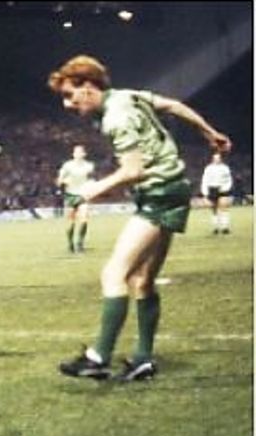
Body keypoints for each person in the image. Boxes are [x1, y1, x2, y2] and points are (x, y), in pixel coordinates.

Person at [49, 55, 231, 382]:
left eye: (69, 94)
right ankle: (143, 359)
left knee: (113, 274)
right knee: (142, 281)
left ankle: (98, 357)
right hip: (173, 188)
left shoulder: (115, 117)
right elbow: (173, 105)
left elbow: (134, 170)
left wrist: (93, 190)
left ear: (88, 86)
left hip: (158, 195)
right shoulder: (128, 95)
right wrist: (209, 131)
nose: (67, 104)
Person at [56, 144, 96, 253]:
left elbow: (92, 179)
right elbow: (59, 180)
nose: (78, 154)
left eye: (80, 152)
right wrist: (63, 182)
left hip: (83, 195)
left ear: (84, 154)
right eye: (76, 152)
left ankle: (80, 244)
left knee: (84, 220)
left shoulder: (89, 166)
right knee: (70, 222)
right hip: (70, 195)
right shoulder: (67, 166)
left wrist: (91, 185)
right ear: (73, 154)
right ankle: (70, 244)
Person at [200, 152, 233, 235]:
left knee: (224, 207)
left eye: (218, 158)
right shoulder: (208, 168)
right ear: (212, 159)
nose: (216, 159)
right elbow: (205, 180)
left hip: (222, 188)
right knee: (214, 209)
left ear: (220, 159)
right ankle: (215, 228)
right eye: (215, 158)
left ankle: (225, 228)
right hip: (212, 189)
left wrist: (226, 188)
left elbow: (229, 179)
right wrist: (205, 192)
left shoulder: (225, 168)